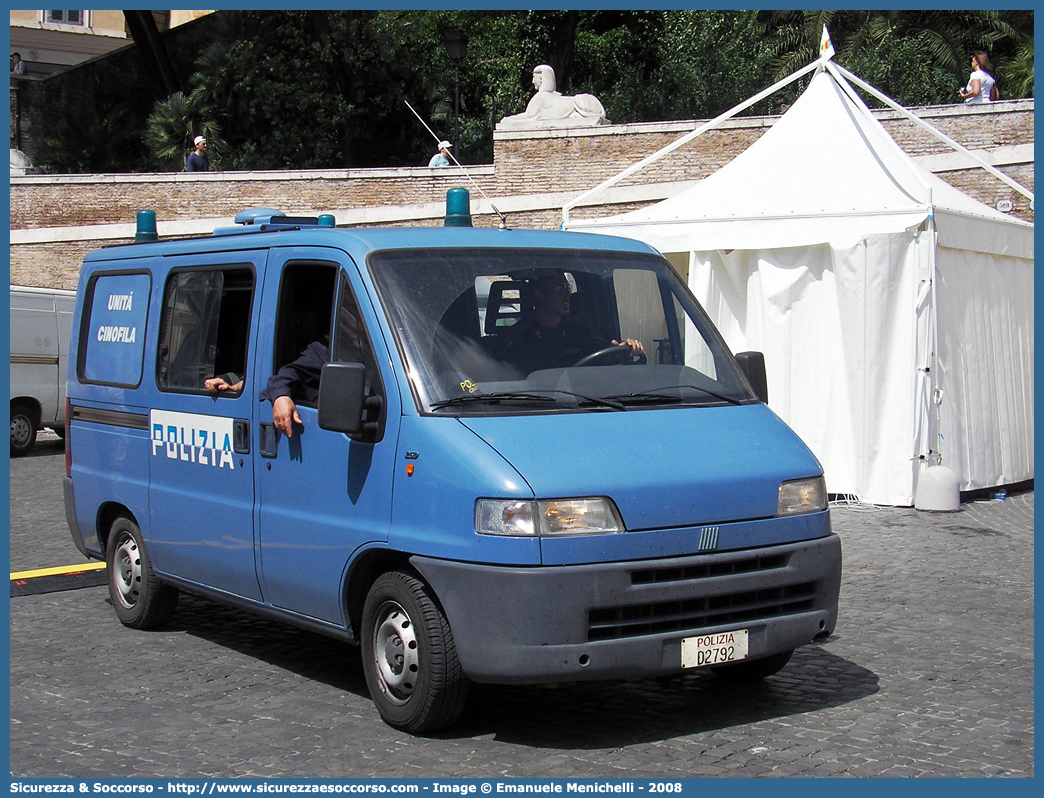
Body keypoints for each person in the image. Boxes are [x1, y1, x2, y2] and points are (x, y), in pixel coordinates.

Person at [501, 272, 643, 373]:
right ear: (540, 295)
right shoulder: (518, 338)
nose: (568, 295)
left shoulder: (577, 332)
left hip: (584, 402)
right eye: (559, 289)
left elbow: (600, 353)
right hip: (531, 408)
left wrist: (622, 351)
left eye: (568, 288)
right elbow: (502, 381)